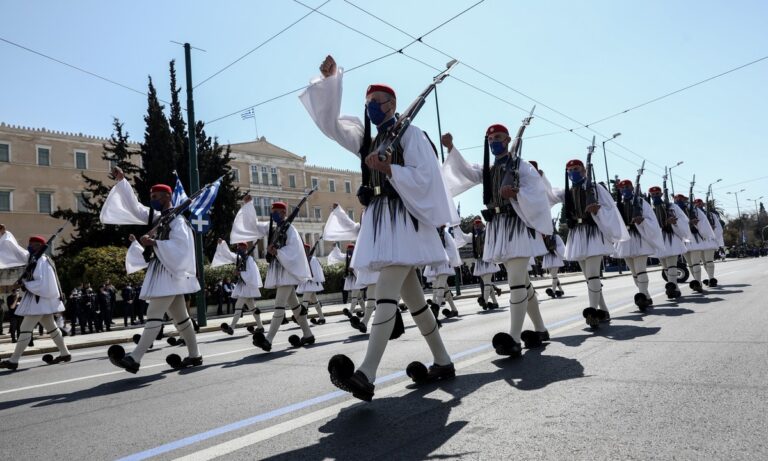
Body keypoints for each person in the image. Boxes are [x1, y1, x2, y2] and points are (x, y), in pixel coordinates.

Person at [300, 54, 457, 400]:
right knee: (414, 303)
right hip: (383, 222)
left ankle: (367, 374)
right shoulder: (369, 141)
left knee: (386, 294)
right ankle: (443, 361)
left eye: (376, 103)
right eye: (367, 103)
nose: (370, 108)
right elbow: (332, 126)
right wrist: (329, 82)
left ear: (393, 105)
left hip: (404, 221)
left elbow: (428, 178)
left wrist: (390, 172)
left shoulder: (412, 135)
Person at [440, 124, 553, 356]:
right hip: (499, 228)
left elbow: (538, 194)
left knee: (516, 284)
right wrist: (451, 148)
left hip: (517, 226)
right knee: (523, 283)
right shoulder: (490, 171)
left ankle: (513, 338)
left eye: (498, 138)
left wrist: (517, 193)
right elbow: (466, 170)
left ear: (508, 139)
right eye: (490, 138)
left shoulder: (522, 167)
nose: (494, 142)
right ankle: (540, 329)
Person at [100, 167, 203, 373]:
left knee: (154, 313)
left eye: (156, 196)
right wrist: (122, 182)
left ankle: (135, 358)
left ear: (167, 197)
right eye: (151, 196)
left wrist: (154, 242)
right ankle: (195, 355)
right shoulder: (158, 218)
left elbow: (181, 247)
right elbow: (135, 207)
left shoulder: (177, 220)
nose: (153, 199)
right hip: (163, 271)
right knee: (181, 318)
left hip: (168, 272)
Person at [230, 197, 313, 351]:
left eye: (276, 212)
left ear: (283, 213)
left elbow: (295, 250)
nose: (273, 214)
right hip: (280, 271)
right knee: (295, 306)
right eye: (272, 212)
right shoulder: (275, 229)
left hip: (287, 272)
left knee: (279, 305)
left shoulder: (290, 229)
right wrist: (248, 205)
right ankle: (308, 334)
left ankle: (268, 339)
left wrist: (277, 251)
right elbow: (253, 226)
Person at [555, 159, 628, 328]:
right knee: (588, 277)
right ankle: (604, 309)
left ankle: (592, 310)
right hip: (577, 235)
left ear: (584, 171)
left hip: (593, 233)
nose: (573, 172)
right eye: (570, 169)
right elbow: (547, 195)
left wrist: (598, 209)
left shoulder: (596, 188)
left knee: (593, 274)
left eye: (577, 169)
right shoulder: (568, 191)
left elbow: (611, 208)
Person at [0, 226, 71, 371]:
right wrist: (4, 234)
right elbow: (17, 251)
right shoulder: (34, 259)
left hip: (40, 300)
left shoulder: (42, 261)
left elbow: (42, 283)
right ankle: (65, 353)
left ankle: (14, 360)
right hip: (40, 301)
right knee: (51, 327)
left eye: (31, 245)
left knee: (25, 328)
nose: (29, 247)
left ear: (38, 246)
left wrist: (24, 283)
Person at [613, 179, 664, 310]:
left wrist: (642, 221)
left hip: (639, 238)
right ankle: (646, 296)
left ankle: (641, 295)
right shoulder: (617, 204)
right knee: (634, 272)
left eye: (627, 187)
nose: (625, 190)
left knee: (640, 270)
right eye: (622, 188)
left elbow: (652, 220)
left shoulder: (641, 202)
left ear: (632, 187)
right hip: (625, 240)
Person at [212, 239, 264, 336]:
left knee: (238, 306)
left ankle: (231, 328)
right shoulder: (239, 258)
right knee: (253, 308)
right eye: (238, 247)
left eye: (240, 247)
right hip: (243, 286)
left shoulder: (249, 259)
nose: (238, 248)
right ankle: (260, 327)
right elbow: (228, 254)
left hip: (247, 286)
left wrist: (239, 273)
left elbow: (251, 274)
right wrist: (222, 243)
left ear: (244, 248)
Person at [647, 186, 690, 299]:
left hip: (672, 238)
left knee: (671, 265)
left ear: (661, 194)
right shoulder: (650, 209)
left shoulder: (672, 207)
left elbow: (683, 220)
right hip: (659, 239)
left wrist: (674, 222)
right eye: (653, 194)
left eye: (657, 193)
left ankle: (671, 287)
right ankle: (675, 287)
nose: (655, 196)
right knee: (665, 266)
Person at [674, 194, 715, 293]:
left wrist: (696, 223)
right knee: (690, 264)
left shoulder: (694, 210)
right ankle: (698, 282)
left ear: (685, 200)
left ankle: (698, 282)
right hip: (683, 240)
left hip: (694, 238)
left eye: (681, 198)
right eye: (677, 198)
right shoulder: (674, 210)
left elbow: (704, 223)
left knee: (695, 262)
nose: (679, 200)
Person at [424, 226, 462, 319]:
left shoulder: (445, 234)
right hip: (436, 264)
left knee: (440, 287)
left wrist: (443, 255)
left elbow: (451, 249)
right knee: (444, 289)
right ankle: (454, 310)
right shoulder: (431, 234)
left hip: (444, 264)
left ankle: (435, 308)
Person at [695, 198, 724, 287]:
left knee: (709, 260)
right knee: (704, 261)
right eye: (696, 204)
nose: (698, 205)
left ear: (703, 204)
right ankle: (710, 277)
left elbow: (719, 228)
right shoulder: (692, 215)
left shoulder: (711, 215)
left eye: (700, 203)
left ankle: (711, 278)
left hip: (709, 241)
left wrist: (712, 231)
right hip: (699, 242)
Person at [297, 242, 326, 325]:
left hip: (311, 283)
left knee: (305, 301)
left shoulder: (313, 259)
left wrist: (313, 279)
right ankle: (322, 318)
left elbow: (317, 272)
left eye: (305, 249)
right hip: (307, 283)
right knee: (315, 301)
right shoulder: (304, 259)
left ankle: (303, 320)